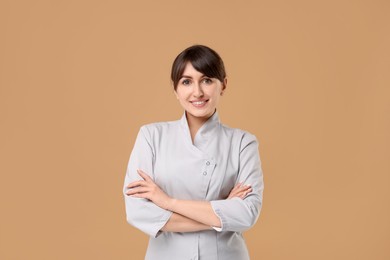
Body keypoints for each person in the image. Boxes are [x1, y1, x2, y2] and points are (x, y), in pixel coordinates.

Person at [123, 45, 264, 260]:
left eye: (207, 80)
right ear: (176, 89)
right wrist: (222, 212)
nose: (197, 92)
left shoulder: (243, 142)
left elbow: (247, 214)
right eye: (186, 81)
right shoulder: (151, 136)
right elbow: (137, 212)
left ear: (223, 84)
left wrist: (168, 202)